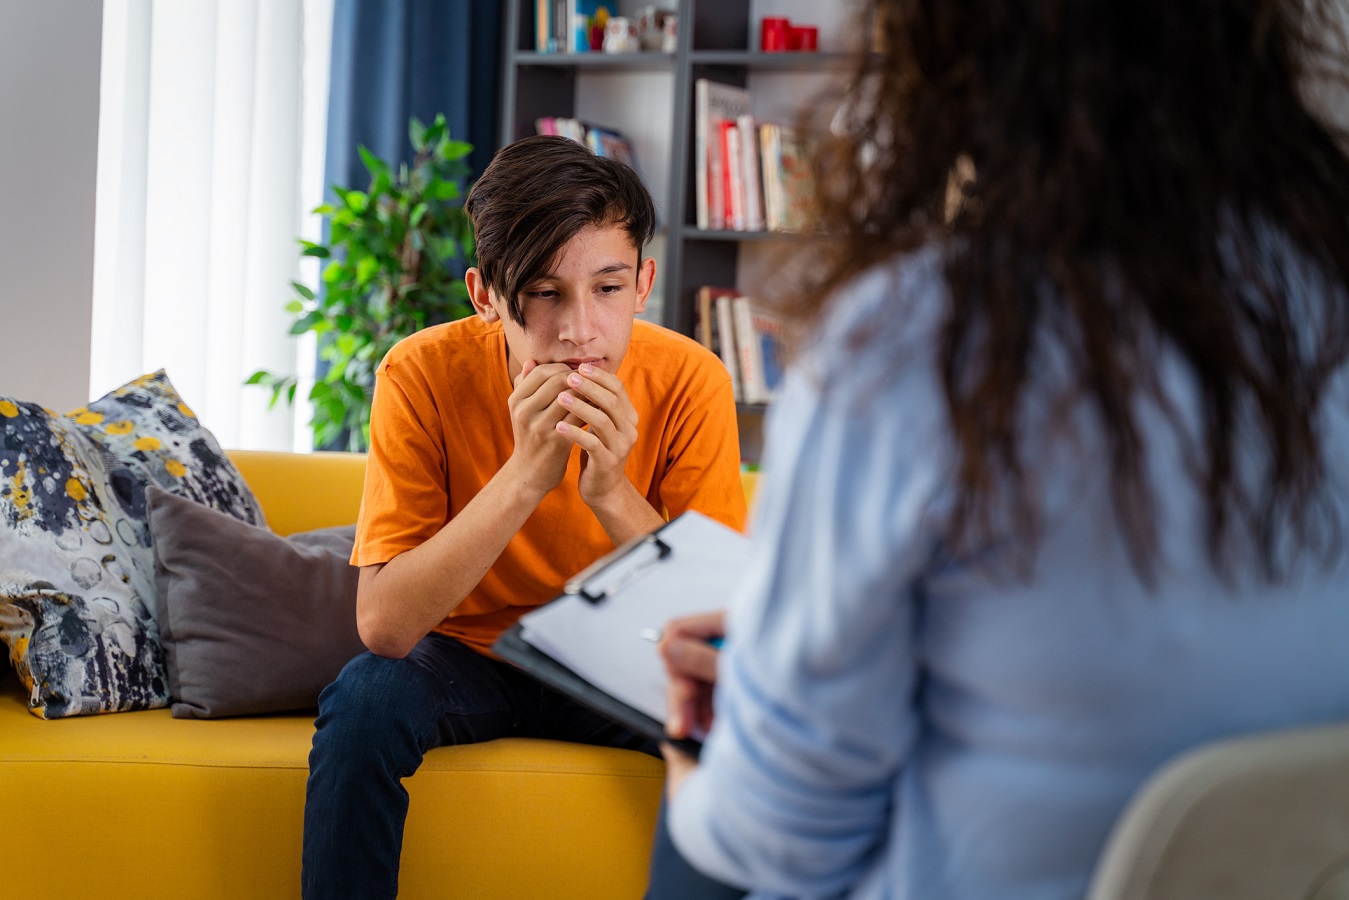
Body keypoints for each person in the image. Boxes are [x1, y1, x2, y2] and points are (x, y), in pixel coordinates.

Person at [652, 0, 1349, 897]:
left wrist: (689, 761)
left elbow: (782, 839)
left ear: (949, 55)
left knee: (695, 850)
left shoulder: (916, 340)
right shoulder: (1325, 300)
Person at [300, 134, 746, 899]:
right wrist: (524, 478)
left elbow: (718, 623)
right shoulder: (420, 373)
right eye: (544, 293)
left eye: (606, 289)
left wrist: (609, 493)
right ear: (485, 294)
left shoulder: (690, 380)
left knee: (742, 713)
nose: (579, 330)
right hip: (471, 656)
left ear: (642, 282)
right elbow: (385, 627)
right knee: (366, 696)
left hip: (621, 654)